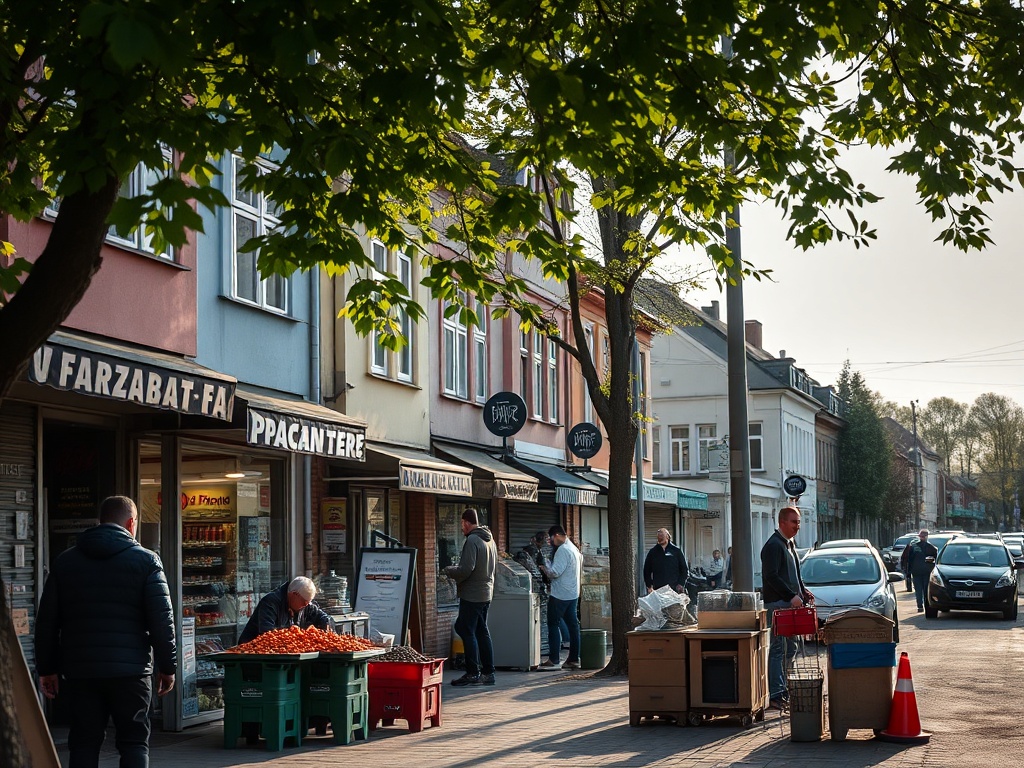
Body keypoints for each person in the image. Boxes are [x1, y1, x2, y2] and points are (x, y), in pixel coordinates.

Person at [35, 495, 177, 768]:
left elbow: (47, 620)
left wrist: (47, 668)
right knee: (134, 741)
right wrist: (168, 667)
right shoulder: (147, 561)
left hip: (81, 671)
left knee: (84, 742)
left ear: (100, 521)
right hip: (132, 672)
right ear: (131, 523)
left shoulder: (65, 562)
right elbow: (162, 620)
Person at [760, 506, 814, 711]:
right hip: (778, 606)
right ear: (782, 522)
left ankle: (783, 688)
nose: (797, 526)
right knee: (777, 649)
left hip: (790, 604)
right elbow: (771, 576)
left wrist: (802, 591)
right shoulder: (773, 546)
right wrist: (791, 596)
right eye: (794, 522)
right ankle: (776, 694)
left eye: (799, 522)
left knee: (791, 647)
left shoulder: (788, 544)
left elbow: (794, 574)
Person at [444, 508, 498, 686]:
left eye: (461, 524)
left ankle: (473, 672)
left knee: (466, 629)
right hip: (486, 592)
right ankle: (488, 672)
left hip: (473, 594)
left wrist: (450, 571)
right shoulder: (489, 540)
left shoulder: (473, 540)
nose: (461, 527)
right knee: (481, 630)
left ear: (466, 523)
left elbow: (467, 569)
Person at [238, 575, 334, 644]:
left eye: (309, 602)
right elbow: (266, 633)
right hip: (252, 655)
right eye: (304, 601)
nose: (306, 605)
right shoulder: (270, 602)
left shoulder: (305, 605)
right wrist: (292, 633)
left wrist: (326, 623)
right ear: (293, 594)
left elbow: (322, 616)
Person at [540, 525, 583, 670]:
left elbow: (554, 573)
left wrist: (544, 566)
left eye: (551, 538)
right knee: (573, 626)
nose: (551, 542)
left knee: (553, 623)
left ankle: (553, 659)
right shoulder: (574, 549)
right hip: (573, 593)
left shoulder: (563, 550)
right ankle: (573, 659)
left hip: (560, 594)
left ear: (557, 535)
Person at [642, 528, 689, 593]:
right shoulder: (653, 552)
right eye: (658, 537)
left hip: (674, 588)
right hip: (658, 589)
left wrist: (681, 584)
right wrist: (649, 585)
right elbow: (646, 570)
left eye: (662, 536)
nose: (660, 538)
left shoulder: (676, 551)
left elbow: (684, 569)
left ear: (667, 536)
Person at [905, 529, 939, 612]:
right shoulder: (931, 548)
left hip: (921, 572)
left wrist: (909, 571)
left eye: (923, 536)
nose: (922, 538)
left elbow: (909, 560)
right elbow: (910, 560)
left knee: (921, 589)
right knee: (922, 589)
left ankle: (922, 605)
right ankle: (922, 605)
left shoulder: (916, 547)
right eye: (921, 536)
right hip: (922, 571)